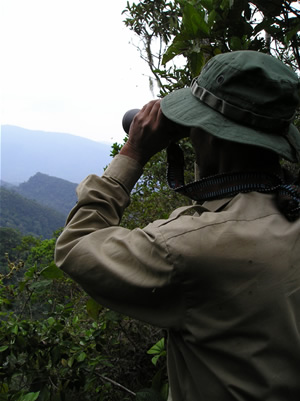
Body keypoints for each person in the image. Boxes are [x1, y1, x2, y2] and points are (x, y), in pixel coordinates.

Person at [55, 51, 300, 400]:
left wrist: (133, 153)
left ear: (211, 137)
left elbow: (75, 244)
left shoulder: (188, 247)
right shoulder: (291, 205)